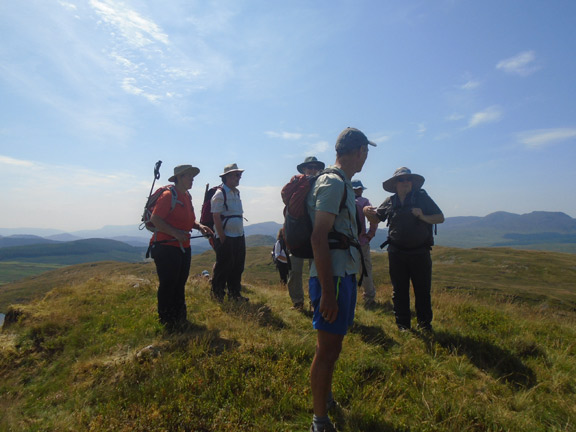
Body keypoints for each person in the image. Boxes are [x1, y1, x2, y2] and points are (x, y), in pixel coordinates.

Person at [308, 128, 375, 432]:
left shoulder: (343, 183)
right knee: (327, 350)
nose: (367, 157)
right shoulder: (333, 182)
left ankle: (327, 398)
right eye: (366, 151)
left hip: (342, 274)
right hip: (331, 278)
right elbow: (319, 237)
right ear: (358, 150)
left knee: (333, 347)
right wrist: (327, 293)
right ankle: (319, 421)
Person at [365, 167, 444, 332]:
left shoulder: (422, 199)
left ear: (412, 183)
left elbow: (440, 217)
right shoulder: (390, 201)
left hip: (420, 252)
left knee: (422, 291)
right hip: (396, 253)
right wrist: (366, 212)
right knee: (399, 291)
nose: (405, 182)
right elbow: (376, 218)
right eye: (401, 180)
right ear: (395, 184)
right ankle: (403, 326)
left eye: (408, 179)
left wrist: (422, 216)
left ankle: (424, 325)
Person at [149, 164, 212, 331]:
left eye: (192, 176)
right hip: (166, 247)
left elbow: (189, 220)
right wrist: (176, 233)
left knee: (179, 282)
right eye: (188, 176)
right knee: (169, 283)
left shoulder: (186, 196)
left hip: (183, 246)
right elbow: (156, 219)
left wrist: (200, 227)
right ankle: (167, 320)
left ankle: (179, 318)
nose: (192, 179)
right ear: (178, 178)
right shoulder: (169, 196)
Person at [288, 156, 325, 310]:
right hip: (297, 233)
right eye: (309, 167)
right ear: (303, 169)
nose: (312, 170)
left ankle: (314, 302)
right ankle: (298, 302)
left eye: (315, 167)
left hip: (315, 231)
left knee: (316, 272)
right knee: (295, 271)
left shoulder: (323, 185)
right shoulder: (297, 184)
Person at [210, 163, 248, 302]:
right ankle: (217, 294)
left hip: (238, 235)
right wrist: (222, 237)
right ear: (227, 177)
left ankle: (235, 294)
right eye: (236, 175)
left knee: (238, 266)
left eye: (239, 175)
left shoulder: (236, 192)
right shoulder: (220, 194)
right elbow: (216, 216)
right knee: (223, 267)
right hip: (226, 237)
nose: (239, 178)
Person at [351, 180, 378, 308]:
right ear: (360, 190)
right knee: (366, 269)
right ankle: (369, 297)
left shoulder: (346, 200)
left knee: (348, 270)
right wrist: (370, 234)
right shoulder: (365, 202)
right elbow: (374, 219)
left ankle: (349, 297)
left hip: (347, 242)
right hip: (362, 241)